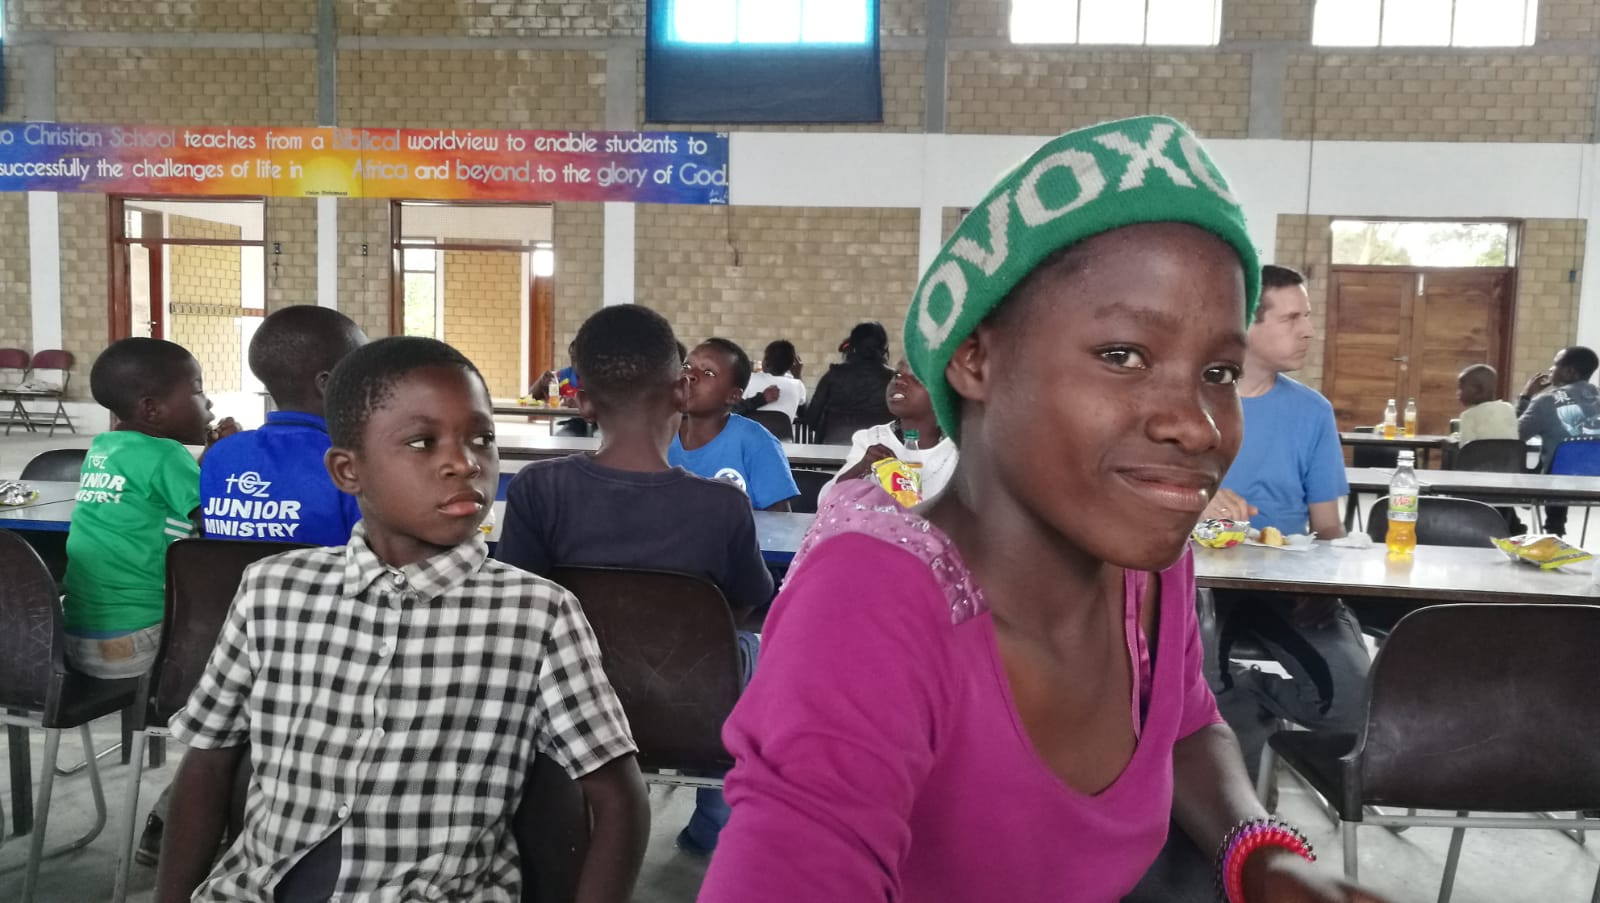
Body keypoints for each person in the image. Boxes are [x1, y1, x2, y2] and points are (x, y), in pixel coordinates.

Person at [699, 117, 1387, 902]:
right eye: (1123, 355)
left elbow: (1184, 724)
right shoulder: (871, 603)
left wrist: (1264, 859)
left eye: (1220, 372)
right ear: (975, 357)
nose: (1197, 426)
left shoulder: (1145, 565)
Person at [157, 337, 649, 903]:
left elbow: (619, 799)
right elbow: (208, 758)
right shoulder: (272, 588)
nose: (465, 463)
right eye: (422, 442)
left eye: (481, 439)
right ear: (348, 470)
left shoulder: (537, 613)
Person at [497, 304, 773, 857]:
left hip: (569, 714)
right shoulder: (722, 506)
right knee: (755, 646)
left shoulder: (536, 490)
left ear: (581, 401)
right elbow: (753, 602)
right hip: (694, 715)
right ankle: (717, 824)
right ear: (681, 391)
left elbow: (518, 609)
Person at [1204, 264, 1370, 780]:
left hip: (1285, 584)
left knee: (1356, 704)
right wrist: (1198, 500)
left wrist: (1327, 584)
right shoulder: (1189, 401)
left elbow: (1328, 526)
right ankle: (1228, 790)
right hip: (1194, 584)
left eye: (1308, 316)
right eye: (1292, 318)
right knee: (1191, 695)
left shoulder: (1312, 412)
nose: (1309, 330)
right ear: (1246, 324)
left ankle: (1249, 695)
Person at [63, 337, 234, 680]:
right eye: (198, 390)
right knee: (241, 631)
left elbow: (169, 491)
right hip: (139, 641)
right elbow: (216, 518)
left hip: (74, 641)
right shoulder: (165, 455)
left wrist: (209, 452)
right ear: (152, 410)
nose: (209, 402)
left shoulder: (104, 448)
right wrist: (227, 455)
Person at [200, 305, 367, 545]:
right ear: (328, 384)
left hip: (234, 573)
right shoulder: (349, 461)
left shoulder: (221, 455)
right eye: (362, 374)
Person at [670, 337, 799, 511]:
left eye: (708, 372)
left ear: (733, 396)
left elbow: (779, 519)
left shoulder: (756, 442)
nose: (690, 375)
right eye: (686, 366)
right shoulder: (661, 436)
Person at [819, 358, 957, 505]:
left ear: (943, 393)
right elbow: (825, 500)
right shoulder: (872, 439)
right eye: (897, 374)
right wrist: (860, 468)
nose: (899, 381)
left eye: (916, 378)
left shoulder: (958, 449)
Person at [1517, 346, 1600, 536]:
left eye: (1555, 365)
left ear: (1570, 372)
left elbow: (1515, 436)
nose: (1550, 369)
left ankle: (1553, 529)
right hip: (1597, 477)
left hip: (1558, 482)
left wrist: (1526, 397)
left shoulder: (1545, 401)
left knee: (1557, 467)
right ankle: (1555, 527)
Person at [799, 321, 894, 442]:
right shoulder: (893, 379)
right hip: (881, 446)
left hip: (835, 443)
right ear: (884, 347)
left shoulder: (833, 376)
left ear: (852, 345)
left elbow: (812, 418)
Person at [734, 340, 806, 422]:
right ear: (791, 365)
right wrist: (797, 375)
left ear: (765, 363)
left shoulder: (750, 379)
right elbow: (803, 411)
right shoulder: (798, 385)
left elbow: (733, 409)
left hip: (750, 430)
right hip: (781, 430)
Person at [531, 342, 590, 437]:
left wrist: (579, 404)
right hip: (571, 426)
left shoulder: (601, 378)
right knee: (566, 434)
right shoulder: (562, 376)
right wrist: (540, 382)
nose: (576, 363)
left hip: (599, 426)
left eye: (581, 358)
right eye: (573, 358)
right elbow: (530, 399)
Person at [1456, 363, 1518, 446]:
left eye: (1461, 389)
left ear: (1478, 390)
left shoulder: (1469, 416)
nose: (1458, 393)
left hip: (1480, 455)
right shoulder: (1509, 408)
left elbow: (1465, 448)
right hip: (1510, 455)